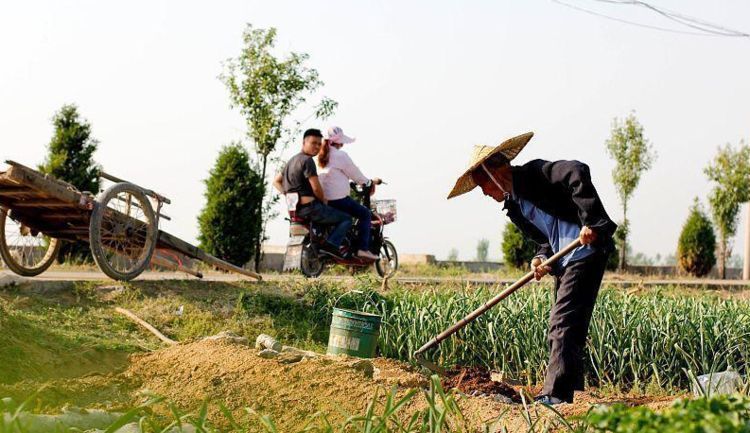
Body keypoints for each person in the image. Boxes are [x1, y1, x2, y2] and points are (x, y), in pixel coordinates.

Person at [447, 132, 616, 405]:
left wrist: (591, 221)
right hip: (565, 260)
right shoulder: (515, 207)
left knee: (561, 323)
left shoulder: (535, 174)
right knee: (568, 324)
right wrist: (541, 259)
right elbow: (545, 238)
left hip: (585, 251)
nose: (486, 194)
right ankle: (572, 388)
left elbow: (576, 170)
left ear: (495, 173)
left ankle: (554, 395)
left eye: (483, 186)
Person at [273, 128, 352, 258]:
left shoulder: (291, 161)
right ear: (304, 143)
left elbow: (276, 181)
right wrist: (324, 200)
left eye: (319, 144)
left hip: (295, 211)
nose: (316, 147)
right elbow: (316, 188)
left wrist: (288, 195)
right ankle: (331, 246)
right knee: (346, 219)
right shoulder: (307, 161)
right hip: (311, 209)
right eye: (313, 143)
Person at [316, 126, 380, 261]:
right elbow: (355, 174)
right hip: (338, 199)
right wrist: (369, 183)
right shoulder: (340, 155)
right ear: (340, 142)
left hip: (323, 198)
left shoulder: (320, 155)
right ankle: (362, 249)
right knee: (365, 214)